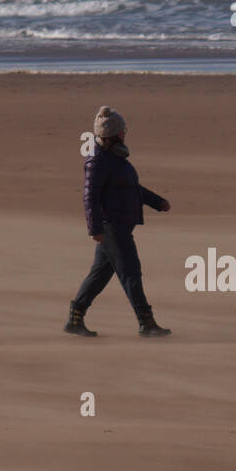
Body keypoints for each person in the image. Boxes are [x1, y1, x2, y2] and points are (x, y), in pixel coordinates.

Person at [65, 105, 171, 337]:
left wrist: (156, 201)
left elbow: (131, 189)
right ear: (113, 134)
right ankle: (146, 323)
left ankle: (75, 319)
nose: (126, 132)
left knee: (99, 275)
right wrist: (95, 229)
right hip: (111, 227)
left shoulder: (117, 157)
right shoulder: (98, 161)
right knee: (131, 272)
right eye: (123, 129)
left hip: (118, 225)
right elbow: (89, 197)